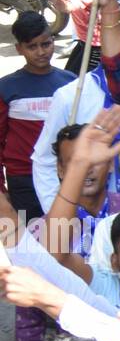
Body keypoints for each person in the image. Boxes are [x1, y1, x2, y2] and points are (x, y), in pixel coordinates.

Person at [0, 13, 75, 217]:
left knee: (65, 239)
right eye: (32, 46)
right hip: (23, 178)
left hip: (63, 176)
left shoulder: (71, 83)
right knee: (32, 241)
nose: (41, 52)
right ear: (19, 49)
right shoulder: (6, 88)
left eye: (46, 44)